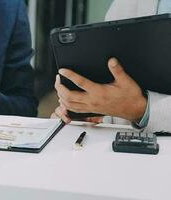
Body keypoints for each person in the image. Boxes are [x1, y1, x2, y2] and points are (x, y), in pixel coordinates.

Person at [52, 0, 171, 133]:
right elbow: (116, 78)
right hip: (127, 145)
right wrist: (91, 109)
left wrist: (141, 110)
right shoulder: (124, 4)